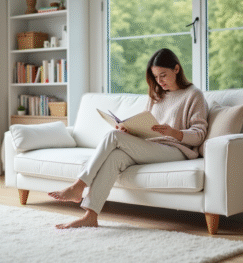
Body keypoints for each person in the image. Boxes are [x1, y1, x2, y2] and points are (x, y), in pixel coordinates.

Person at [48, 48, 208, 229]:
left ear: (177, 69)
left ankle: (78, 185)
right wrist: (132, 131)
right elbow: (149, 127)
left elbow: (199, 136)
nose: (159, 81)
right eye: (155, 77)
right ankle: (90, 216)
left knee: (113, 136)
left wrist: (174, 133)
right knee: (116, 157)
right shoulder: (157, 95)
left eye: (163, 75)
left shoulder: (194, 95)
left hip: (176, 150)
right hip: (152, 146)